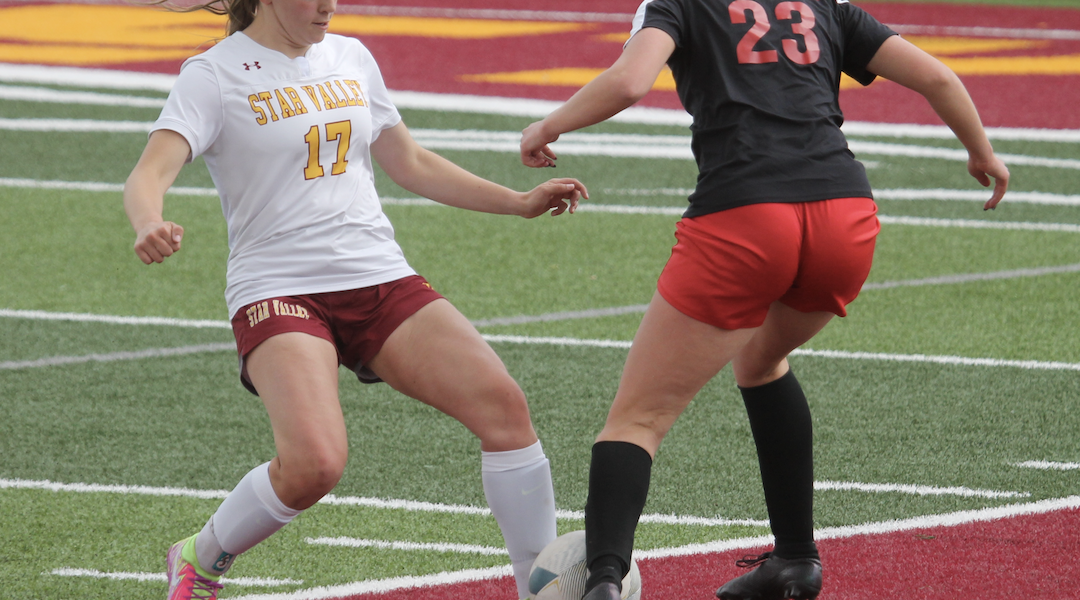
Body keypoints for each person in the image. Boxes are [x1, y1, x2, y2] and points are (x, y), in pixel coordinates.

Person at [520, 1, 1008, 599]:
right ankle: (795, 558)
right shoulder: (824, 5)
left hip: (746, 215)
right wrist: (981, 151)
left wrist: (548, 126)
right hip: (845, 216)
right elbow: (937, 76)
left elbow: (629, 82)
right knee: (760, 359)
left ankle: (601, 581)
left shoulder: (676, 4)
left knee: (639, 419)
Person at [124, 1, 588, 599]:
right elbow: (149, 173)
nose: (329, 5)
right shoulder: (213, 74)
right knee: (314, 465)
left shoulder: (350, 56)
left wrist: (518, 202)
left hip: (377, 275)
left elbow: (410, 162)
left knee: (505, 412)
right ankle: (200, 556)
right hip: (278, 287)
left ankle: (536, 590)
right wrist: (149, 221)